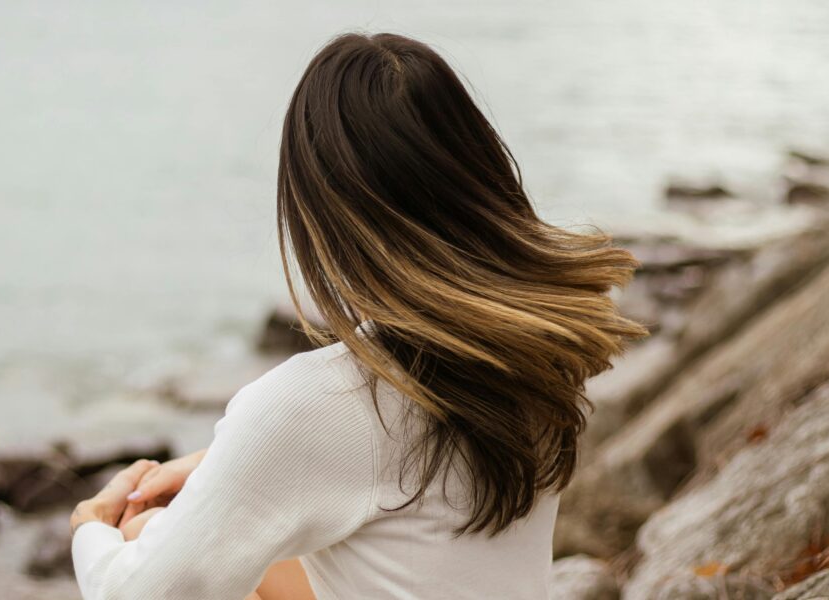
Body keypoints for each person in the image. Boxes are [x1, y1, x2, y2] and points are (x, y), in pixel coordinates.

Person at [69, 31, 646, 600]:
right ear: (478, 172)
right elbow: (394, 459)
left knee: (138, 537)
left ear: (320, 213)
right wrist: (213, 465)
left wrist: (89, 527)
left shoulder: (324, 403)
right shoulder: (533, 342)